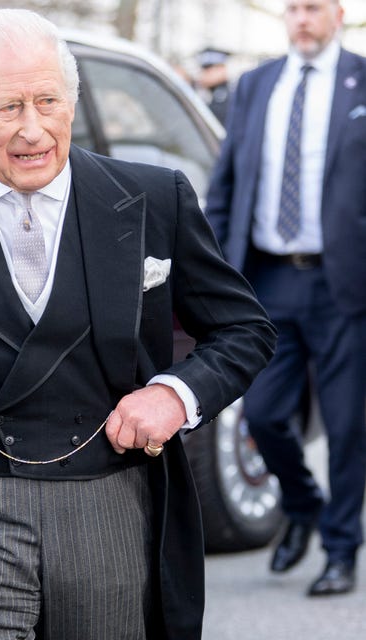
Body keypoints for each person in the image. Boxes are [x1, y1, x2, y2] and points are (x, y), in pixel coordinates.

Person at [0, 9, 276, 640]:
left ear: (73, 101)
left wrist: (175, 395)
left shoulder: (154, 198)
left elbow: (245, 330)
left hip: (110, 508)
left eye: (48, 101)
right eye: (8, 107)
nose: (32, 129)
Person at [205, 0, 366, 596]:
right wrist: (215, 270)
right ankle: (303, 506)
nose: (301, 18)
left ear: (338, 14)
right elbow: (226, 185)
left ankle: (341, 547)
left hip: (344, 282)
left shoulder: (360, 79)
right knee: (264, 414)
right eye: (293, 8)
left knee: (348, 425)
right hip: (268, 279)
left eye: (313, 7)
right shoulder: (255, 85)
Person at [196, 46, 233, 125]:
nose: (203, 74)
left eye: (208, 69)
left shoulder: (228, 98)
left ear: (221, 69)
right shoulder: (210, 94)